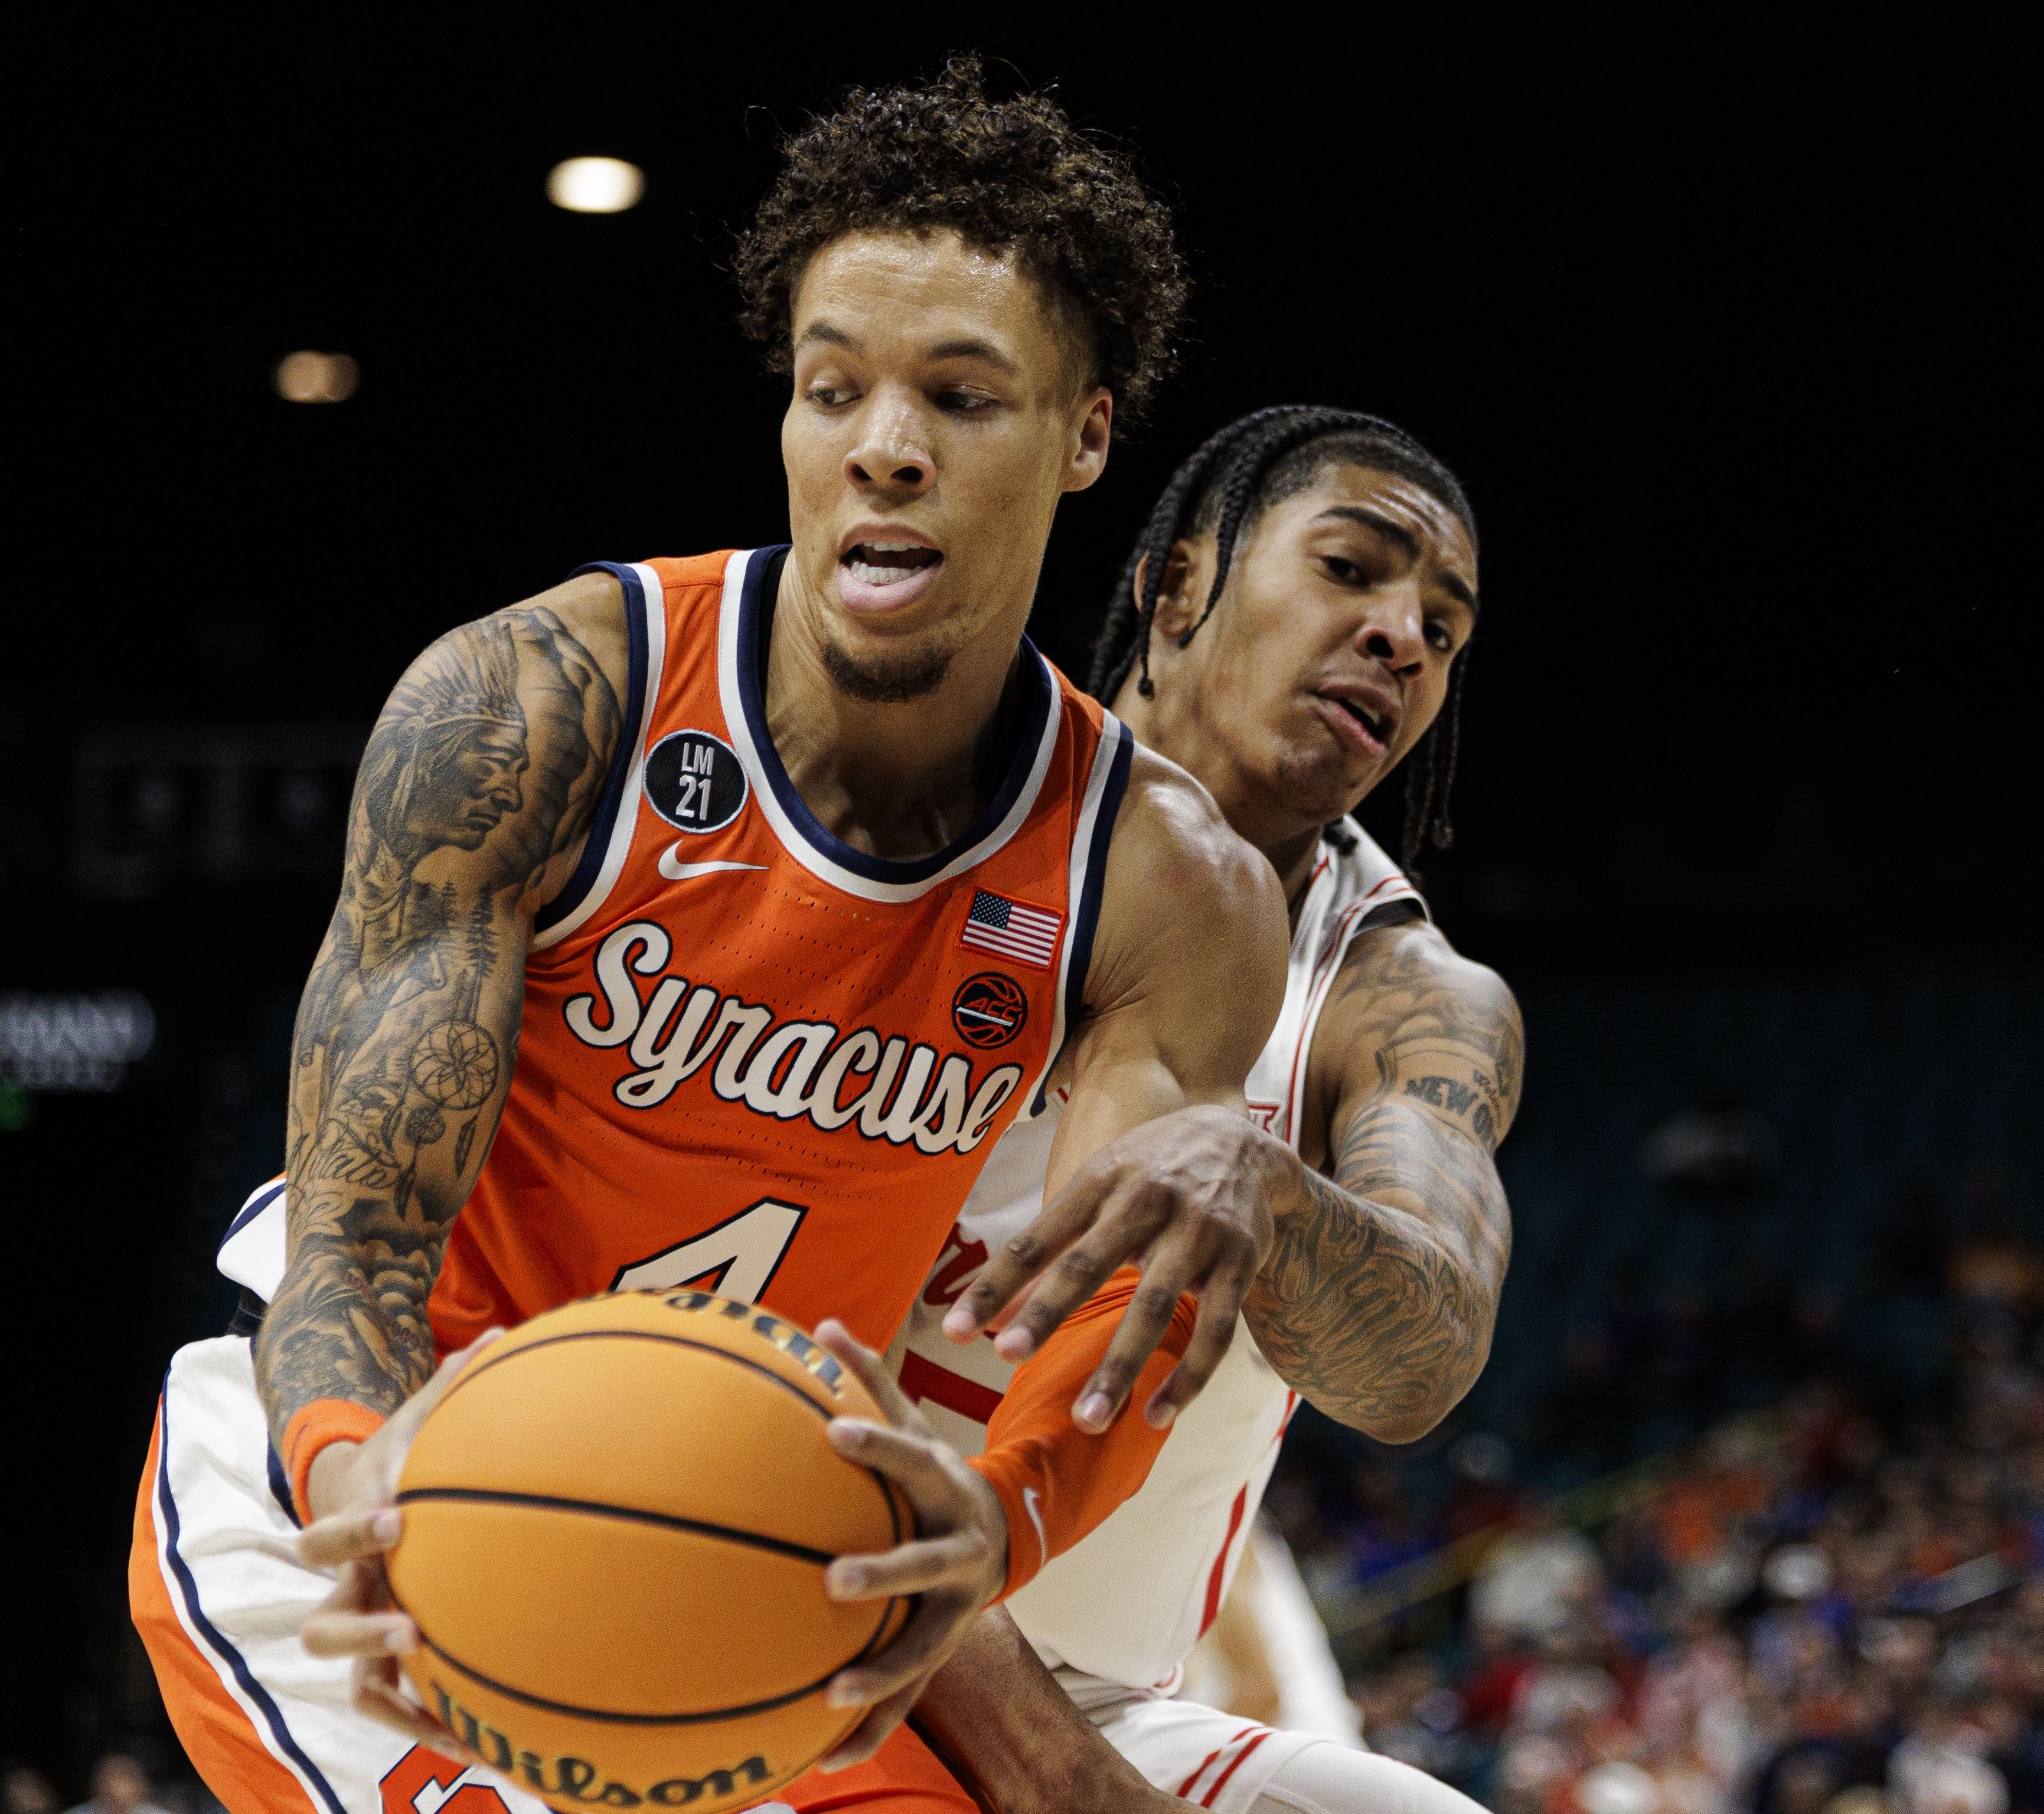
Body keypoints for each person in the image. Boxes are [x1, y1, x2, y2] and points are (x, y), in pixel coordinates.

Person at [129, 61, 1294, 1814]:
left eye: (959, 396)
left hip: (746, 1527)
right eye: (833, 389)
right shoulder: (538, 707)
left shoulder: (1164, 885)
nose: (880, 443)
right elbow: (355, 1244)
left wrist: (1004, 1507)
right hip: (384, 1474)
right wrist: (364, 1474)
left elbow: (1106, 1325)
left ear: (1085, 436)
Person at [858, 405, 1521, 1813]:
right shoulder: (922, 825)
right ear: (1173, 586)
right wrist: (1056, 1771)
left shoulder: (1399, 996)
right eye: (1353, 568)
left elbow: (1417, 1365)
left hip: (1092, 1702)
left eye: (1444, 632)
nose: (1403, 637)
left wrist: (1267, 1185)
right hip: (786, 1576)